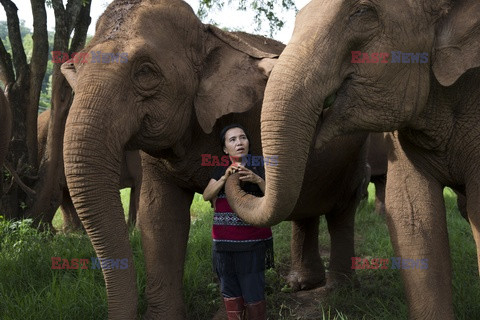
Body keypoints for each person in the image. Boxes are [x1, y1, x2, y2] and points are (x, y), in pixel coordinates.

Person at [203, 124, 273, 320]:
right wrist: (224, 178)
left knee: (253, 290)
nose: (239, 142)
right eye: (232, 139)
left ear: (249, 142)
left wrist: (257, 179)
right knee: (230, 290)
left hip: (252, 243)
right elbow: (206, 195)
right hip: (224, 244)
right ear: (225, 149)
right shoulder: (220, 168)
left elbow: (274, 196)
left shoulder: (260, 165)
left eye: (242, 137)